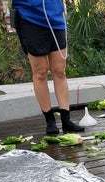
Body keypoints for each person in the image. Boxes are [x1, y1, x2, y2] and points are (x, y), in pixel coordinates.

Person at [12, 0, 84, 134]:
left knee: (59, 71)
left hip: (56, 19)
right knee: (40, 72)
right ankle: (49, 120)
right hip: (30, 19)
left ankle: (65, 118)